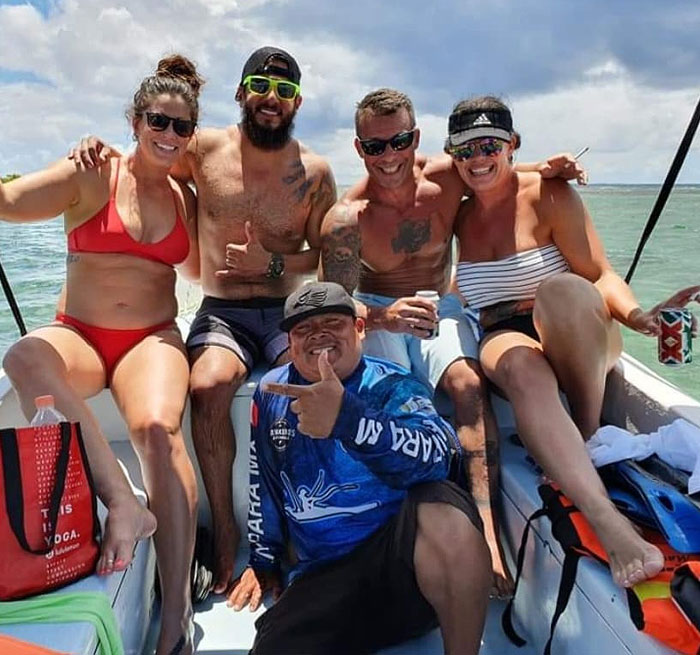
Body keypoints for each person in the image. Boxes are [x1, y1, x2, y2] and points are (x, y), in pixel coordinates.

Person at [70, 46, 337, 595]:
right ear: (240, 93)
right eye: (260, 86)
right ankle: (226, 533)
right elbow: (145, 157)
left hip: (285, 311)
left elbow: (327, 254)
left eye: (285, 91)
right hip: (224, 312)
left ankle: (294, 529)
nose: (271, 98)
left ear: (297, 102)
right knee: (210, 385)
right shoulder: (202, 150)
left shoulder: (314, 171)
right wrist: (96, 148)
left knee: (309, 383)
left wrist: (273, 263)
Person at [319, 87, 584, 597]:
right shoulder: (348, 217)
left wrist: (549, 169)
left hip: (439, 307)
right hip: (377, 313)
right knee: (390, 404)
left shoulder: (446, 179)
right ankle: (397, 535)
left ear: (416, 137)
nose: (388, 156)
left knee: (467, 385)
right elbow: (334, 305)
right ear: (358, 149)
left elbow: (496, 172)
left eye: (398, 141)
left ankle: (486, 534)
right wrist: (384, 317)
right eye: (374, 147)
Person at [448, 94, 700, 588]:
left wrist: (637, 317)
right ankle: (608, 523)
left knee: (561, 289)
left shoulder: (550, 195)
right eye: (465, 150)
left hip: (576, 330)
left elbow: (599, 275)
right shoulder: (455, 214)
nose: (477, 159)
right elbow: (405, 169)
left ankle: (584, 431)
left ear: (511, 144)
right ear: (451, 155)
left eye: (489, 146)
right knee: (517, 366)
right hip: (507, 331)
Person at [1, 55, 203, 655]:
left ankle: (177, 617)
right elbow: (10, 202)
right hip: (82, 335)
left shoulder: (187, 197)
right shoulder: (89, 172)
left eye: (181, 126)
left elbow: (202, 270)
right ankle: (122, 501)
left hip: (152, 338)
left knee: (158, 431)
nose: (168, 134)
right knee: (24, 358)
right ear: (135, 121)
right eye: (157, 121)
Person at [227, 281, 491, 655]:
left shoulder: (394, 385)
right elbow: (264, 476)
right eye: (303, 328)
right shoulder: (272, 392)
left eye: (333, 323)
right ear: (290, 343)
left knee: (441, 503)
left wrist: (348, 421)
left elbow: (438, 457)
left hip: (407, 572)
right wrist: (263, 557)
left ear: (360, 329)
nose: (318, 334)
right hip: (324, 575)